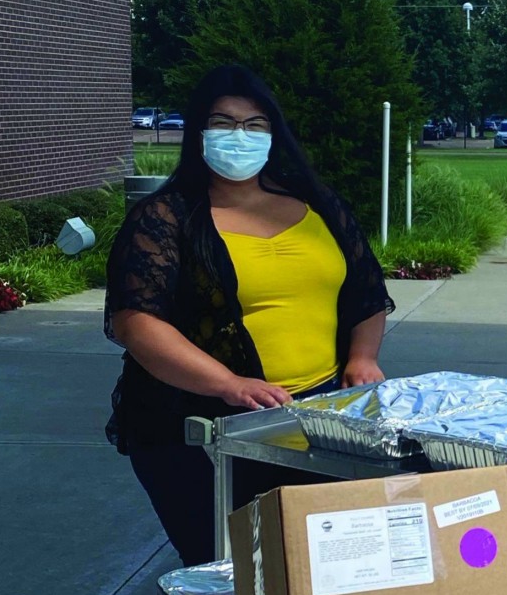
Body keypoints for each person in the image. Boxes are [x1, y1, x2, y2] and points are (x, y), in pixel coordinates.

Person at [105, 65, 394, 566]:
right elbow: (138, 322)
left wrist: (363, 357)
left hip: (318, 419)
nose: (238, 136)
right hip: (202, 430)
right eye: (223, 122)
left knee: (314, 568)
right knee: (230, 571)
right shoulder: (164, 219)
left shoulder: (319, 207)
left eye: (254, 124)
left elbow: (366, 292)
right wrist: (227, 383)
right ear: (198, 132)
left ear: (273, 134)